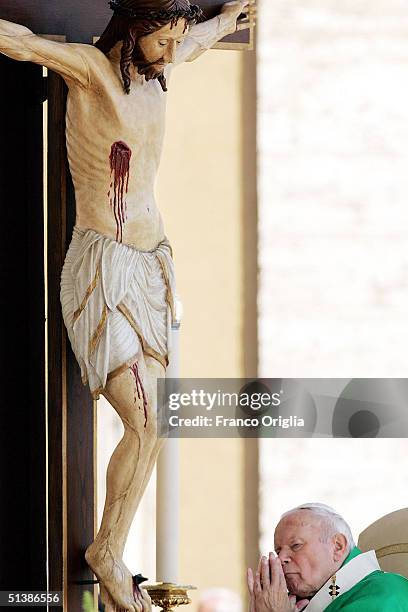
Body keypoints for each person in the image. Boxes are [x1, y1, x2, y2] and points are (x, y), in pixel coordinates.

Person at [0, 2, 254, 611]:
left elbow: (195, 40)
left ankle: (110, 549)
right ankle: (105, 554)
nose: (170, 54)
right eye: (159, 41)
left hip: (150, 268)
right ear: (133, 31)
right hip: (104, 270)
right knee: (144, 417)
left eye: (173, 41)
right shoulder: (90, 69)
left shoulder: (164, 67)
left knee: (156, 423)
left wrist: (227, 20)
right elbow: (22, 42)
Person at [247, 503, 408, 611]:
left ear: (337, 546)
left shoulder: (383, 594)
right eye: (278, 551)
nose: (281, 559)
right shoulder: (306, 603)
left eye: (296, 545)